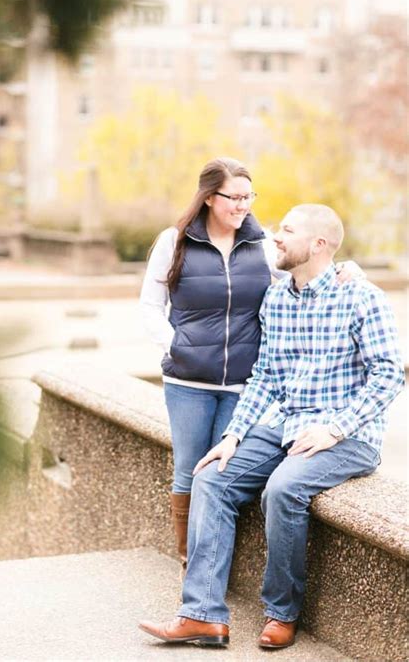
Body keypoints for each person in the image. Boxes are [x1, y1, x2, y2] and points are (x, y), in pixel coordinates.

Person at [139, 203, 404, 649]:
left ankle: (282, 612)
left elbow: (389, 374)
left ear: (319, 244)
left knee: (282, 490)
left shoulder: (363, 297)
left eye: (287, 230)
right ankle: (202, 615)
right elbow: (265, 378)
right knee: (210, 477)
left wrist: (334, 430)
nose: (275, 237)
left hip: (348, 437)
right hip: (285, 425)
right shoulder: (277, 299)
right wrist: (233, 436)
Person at [140, 159, 362, 572]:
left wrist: (346, 268)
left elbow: (301, 280)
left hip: (244, 384)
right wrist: (178, 346)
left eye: (249, 197)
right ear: (209, 198)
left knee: (225, 468)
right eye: (235, 197)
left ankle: (225, 563)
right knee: (190, 469)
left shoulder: (260, 245)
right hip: (188, 381)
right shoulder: (174, 242)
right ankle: (191, 563)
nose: (244, 206)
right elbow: (150, 308)